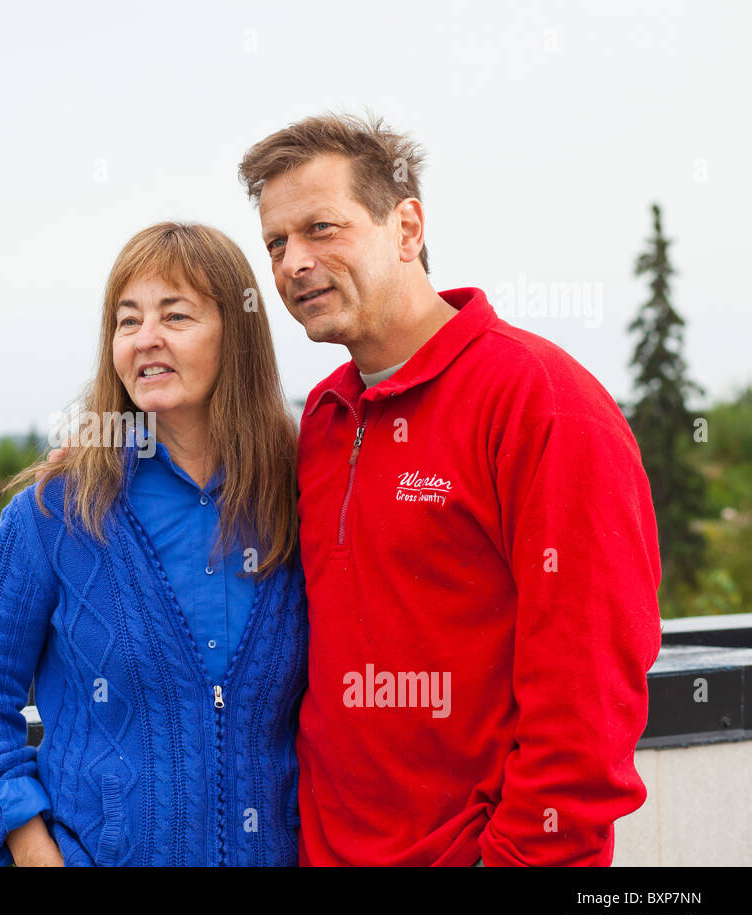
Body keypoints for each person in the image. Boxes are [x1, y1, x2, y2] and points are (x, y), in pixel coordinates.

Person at [237, 111, 662, 866]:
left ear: (407, 229)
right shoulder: (326, 420)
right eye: (276, 243)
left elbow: (590, 698)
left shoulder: (541, 403)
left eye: (321, 229)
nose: (294, 262)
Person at [0, 221, 308, 866]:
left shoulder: (303, 496)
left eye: (176, 315)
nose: (146, 338)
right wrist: (33, 851)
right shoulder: (57, 513)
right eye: (127, 320)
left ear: (237, 333)